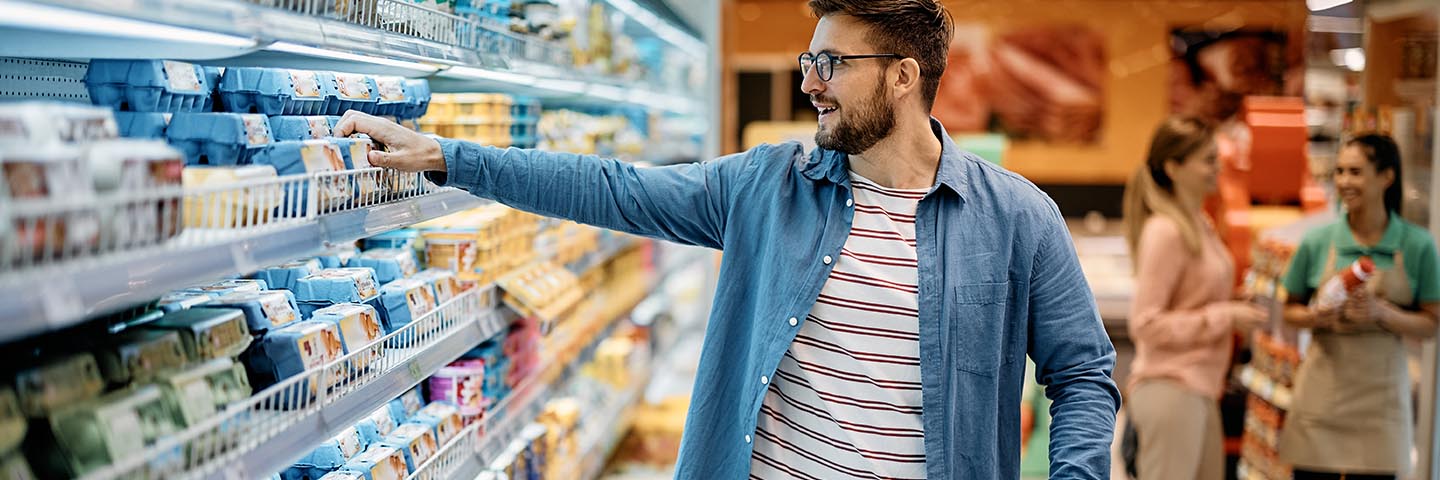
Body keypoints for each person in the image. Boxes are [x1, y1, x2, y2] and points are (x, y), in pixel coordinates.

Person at [336, 0, 1121, 477]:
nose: (808, 81)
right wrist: (448, 156)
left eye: (830, 62)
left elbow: (1082, 373)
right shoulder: (767, 186)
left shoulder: (1018, 218)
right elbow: (614, 186)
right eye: (807, 60)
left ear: (903, 76)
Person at [1277, 134, 1440, 480]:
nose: (1343, 182)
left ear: (1386, 177)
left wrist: (1383, 313)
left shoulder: (1417, 245)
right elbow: (1288, 310)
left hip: (1380, 405)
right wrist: (1314, 316)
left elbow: (1432, 324)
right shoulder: (1317, 241)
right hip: (1321, 398)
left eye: (1355, 172)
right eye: (1339, 172)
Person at [1120, 116, 1268, 480]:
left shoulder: (1199, 223)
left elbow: (1193, 300)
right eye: (1208, 160)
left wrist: (1237, 300)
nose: (1218, 168)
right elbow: (1145, 324)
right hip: (1171, 389)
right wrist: (1225, 315)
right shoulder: (1166, 231)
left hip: (1200, 389)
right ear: (1174, 167)